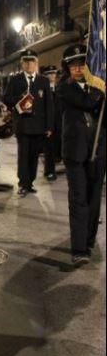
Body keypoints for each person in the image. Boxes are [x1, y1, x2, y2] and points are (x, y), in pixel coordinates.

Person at [57, 44, 106, 265]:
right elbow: (86, 102)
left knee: (94, 198)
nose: (78, 69)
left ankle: (89, 240)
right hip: (75, 153)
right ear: (67, 68)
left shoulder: (97, 87)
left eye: (82, 64)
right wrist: (100, 90)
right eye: (73, 65)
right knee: (79, 199)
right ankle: (78, 249)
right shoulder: (64, 87)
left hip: (98, 151)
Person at [3, 49, 54, 196]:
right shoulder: (15, 80)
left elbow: (49, 105)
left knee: (34, 156)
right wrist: (20, 98)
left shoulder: (43, 81)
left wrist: (49, 126)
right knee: (23, 155)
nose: (29, 64)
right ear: (22, 64)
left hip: (39, 126)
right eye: (26, 62)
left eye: (32, 61)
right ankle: (23, 184)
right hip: (23, 125)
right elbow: (6, 98)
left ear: (36, 63)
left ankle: (30, 182)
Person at [40, 65, 62, 181]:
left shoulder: (60, 88)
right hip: (48, 123)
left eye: (53, 74)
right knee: (49, 148)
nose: (52, 76)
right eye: (49, 74)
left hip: (59, 122)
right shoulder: (42, 89)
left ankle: (56, 166)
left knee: (57, 146)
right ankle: (49, 171)